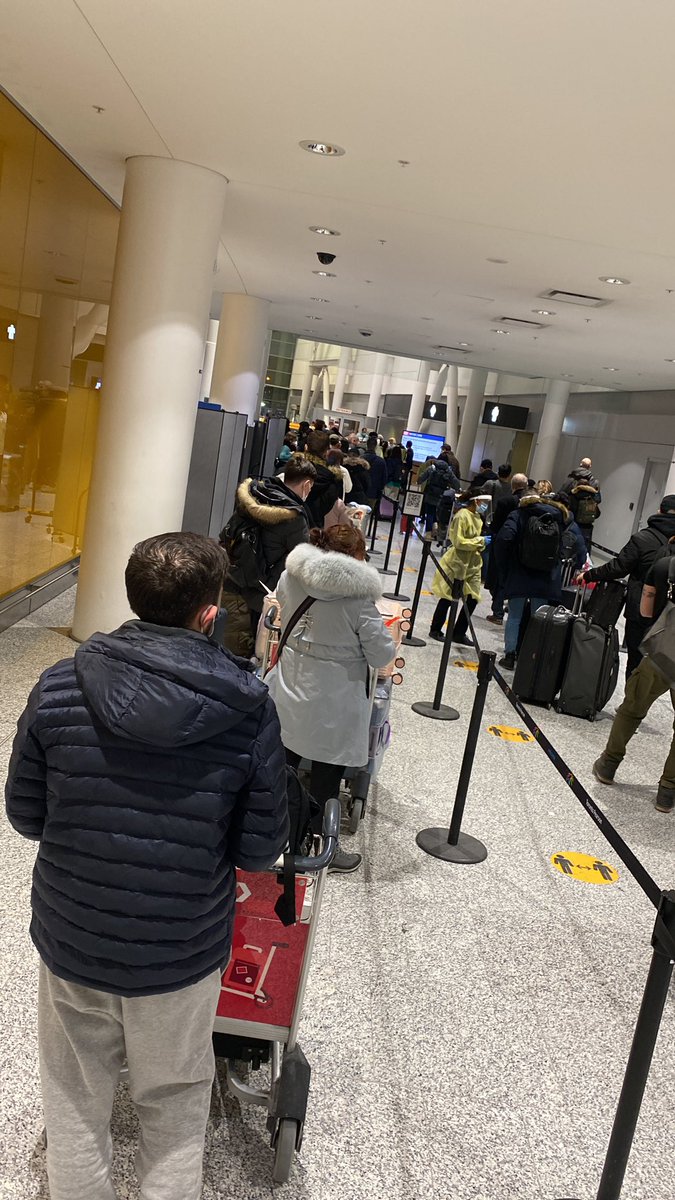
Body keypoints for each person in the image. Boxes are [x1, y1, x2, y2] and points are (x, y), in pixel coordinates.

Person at [4, 531, 290, 1200]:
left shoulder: (59, 685)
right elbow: (257, 851)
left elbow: (25, 815)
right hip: (179, 949)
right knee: (175, 1096)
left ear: (134, 597)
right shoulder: (248, 711)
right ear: (209, 613)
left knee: (75, 1093)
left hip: (73, 934)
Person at [268, 524, 396, 872]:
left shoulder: (291, 577)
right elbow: (381, 654)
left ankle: (271, 832)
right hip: (335, 702)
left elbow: (282, 608)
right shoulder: (359, 600)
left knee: (284, 761)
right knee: (327, 773)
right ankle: (321, 845)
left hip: (292, 686)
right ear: (355, 556)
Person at [593, 539, 675, 813]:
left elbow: (645, 611)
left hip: (664, 651)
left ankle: (608, 764)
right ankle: (667, 791)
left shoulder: (665, 566)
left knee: (632, 708)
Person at [219, 458, 316, 656]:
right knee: (250, 652)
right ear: (306, 485)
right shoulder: (294, 518)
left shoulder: (253, 496)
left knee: (228, 647)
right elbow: (301, 562)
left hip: (231, 580)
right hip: (262, 593)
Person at [579, 494, 675, 678]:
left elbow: (618, 567)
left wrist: (589, 575)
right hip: (671, 614)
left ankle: (633, 695)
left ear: (659, 511)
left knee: (636, 660)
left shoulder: (643, 538)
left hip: (641, 610)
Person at [495, 488, 568, 669]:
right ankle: (532, 657)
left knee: (514, 616)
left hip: (520, 572)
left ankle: (510, 656)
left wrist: (505, 564)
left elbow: (504, 538)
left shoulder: (518, 514)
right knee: (538, 619)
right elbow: (565, 543)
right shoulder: (556, 515)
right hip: (544, 576)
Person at [428, 488, 489, 644]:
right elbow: (458, 541)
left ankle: (459, 632)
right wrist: (480, 541)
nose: (485, 505)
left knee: (473, 598)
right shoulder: (461, 516)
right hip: (457, 563)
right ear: (476, 500)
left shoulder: (478, 517)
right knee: (448, 597)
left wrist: (481, 543)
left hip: (473, 563)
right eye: (484, 502)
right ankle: (435, 629)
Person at [484, 472, 529, 626]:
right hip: (523, 547)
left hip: (503, 544)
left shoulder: (505, 502)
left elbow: (495, 525)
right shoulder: (531, 504)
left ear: (512, 485)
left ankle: (497, 612)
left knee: (499, 578)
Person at [300, 429, 344, 527]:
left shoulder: (292, 471)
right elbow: (328, 507)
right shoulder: (333, 479)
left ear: (306, 447)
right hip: (316, 528)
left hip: (289, 526)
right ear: (326, 452)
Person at [558, 457, 601, 550]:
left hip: (571, 517)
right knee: (584, 547)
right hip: (587, 521)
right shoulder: (594, 482)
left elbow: (561, 493)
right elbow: (598, 501)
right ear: (590, 466)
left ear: (580, 464)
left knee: (568, 545)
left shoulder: (571, 479)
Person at [418, 454, 461, 533]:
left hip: (430, 493)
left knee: (429, 513)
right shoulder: (448, 471)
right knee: (437, 514)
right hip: (441, 495)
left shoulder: (432, 468)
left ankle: (428, 532)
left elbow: (421, 479)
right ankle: (435, 531)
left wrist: (420, 481)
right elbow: (457, 484)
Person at [363, 433, 388, 510]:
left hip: (359, 492)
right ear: (376, 447)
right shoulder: (381, 462)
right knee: (368, 513)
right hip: (373, 493)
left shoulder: (359, 459)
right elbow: (384, 479)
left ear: (366, 445)